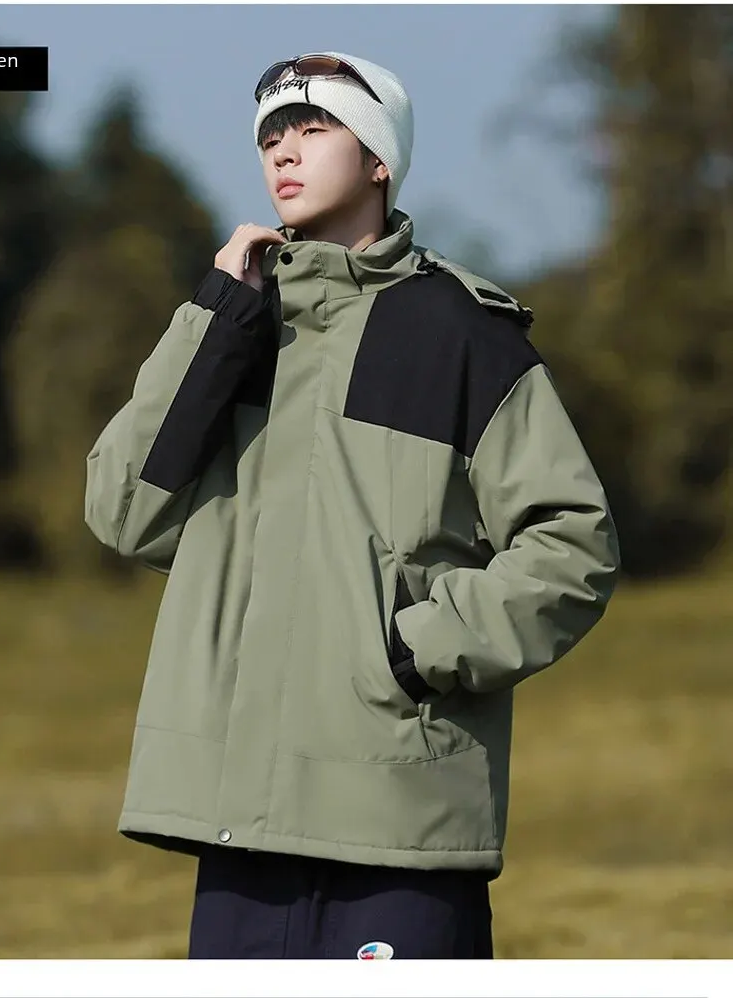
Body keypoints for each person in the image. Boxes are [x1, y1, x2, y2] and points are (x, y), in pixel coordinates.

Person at [84, 51, 621, 959]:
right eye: (271, 135)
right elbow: (122, 510)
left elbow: (574, 543)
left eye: (314, 128)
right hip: (236, 822)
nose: (283, 150)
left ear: (379, 160)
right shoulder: (234, 331)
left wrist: (419, 647)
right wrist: (215, 317)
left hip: (399, 818)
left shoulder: (460, 333)